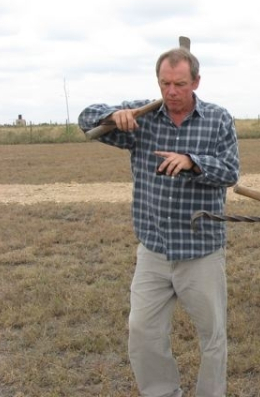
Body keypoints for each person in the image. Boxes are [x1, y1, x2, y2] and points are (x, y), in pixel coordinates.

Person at [78, 46, 239, 397]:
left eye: (180, 84)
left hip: (201, 250)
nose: (171, 92)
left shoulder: (218, 119)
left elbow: (230, 172)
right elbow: (85, 120)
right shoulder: (142, 118)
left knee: (212, 337)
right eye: (165, 83)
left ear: (196, 81)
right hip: (153, 249)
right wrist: (114, 114)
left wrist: (193, 162)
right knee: (142, 331)